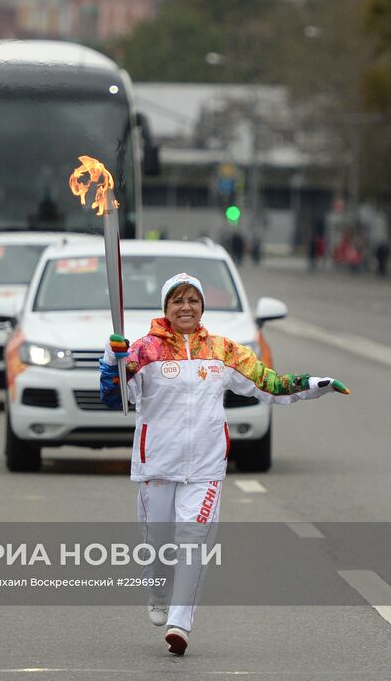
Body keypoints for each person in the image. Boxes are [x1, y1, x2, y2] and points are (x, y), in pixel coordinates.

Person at [100, 272, 349, 657]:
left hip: (206, 468)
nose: (186, 307)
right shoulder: (144, 350)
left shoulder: (222, 351)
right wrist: (111, 362)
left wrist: (314, 384)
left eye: (193, 300)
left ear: (202, 307)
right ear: (166, 308)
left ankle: (180, 624)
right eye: (178, 300)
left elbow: (268, 384)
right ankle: (157, 589)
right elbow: (116, 398)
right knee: (159, 545)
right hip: (156, 467)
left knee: (195, 540)